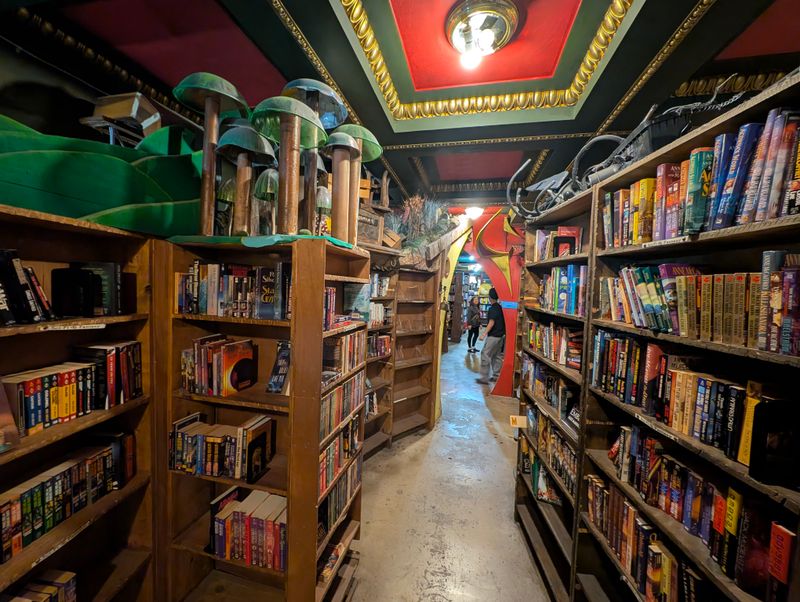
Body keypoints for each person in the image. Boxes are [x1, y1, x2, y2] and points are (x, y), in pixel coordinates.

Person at [477, 287, 505, 385]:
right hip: (501, 336)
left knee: (485, 354)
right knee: (496, 356)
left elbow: (491, 322)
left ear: (489, 297)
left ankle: (484, 378)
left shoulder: (492, 309)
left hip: (493, 336)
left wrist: (483, 334)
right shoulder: (501, 308)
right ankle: (496, 376)